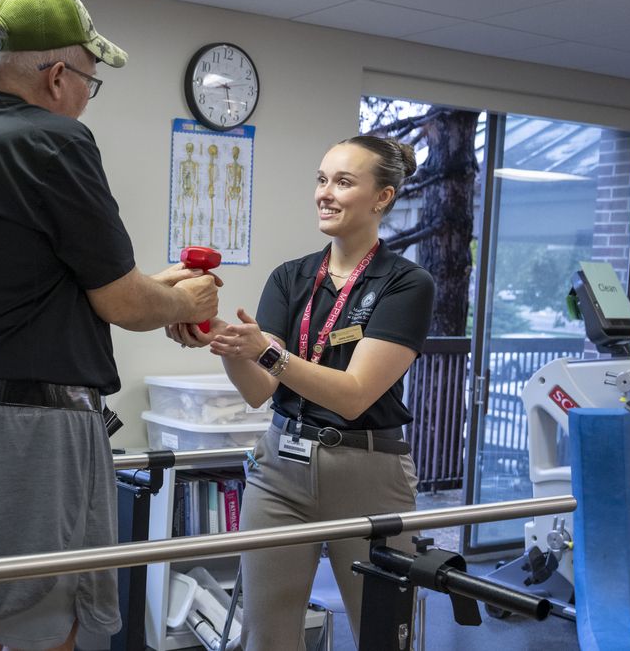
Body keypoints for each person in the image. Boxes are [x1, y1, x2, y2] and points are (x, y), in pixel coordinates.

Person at [0, 0, 220, 650]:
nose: (85, 98)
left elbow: (36, 281)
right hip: (31, 423)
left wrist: (151, 287)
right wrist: (183, 302)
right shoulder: (56, 141)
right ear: (56, 77)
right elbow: (122, 302)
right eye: (89, 83)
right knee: (51, 624)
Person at [167, 135, 434, 650]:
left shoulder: (405, 283)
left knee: (383, 634)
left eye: (343, 182)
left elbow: (353, 395)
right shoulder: (291, 277)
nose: (325, 193)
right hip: (280, 473)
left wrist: (266, 353)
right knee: (266, 636)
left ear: (382, 197)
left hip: (367, 472)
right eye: (322, 179)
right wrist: (225, 342)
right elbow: (259, 389)